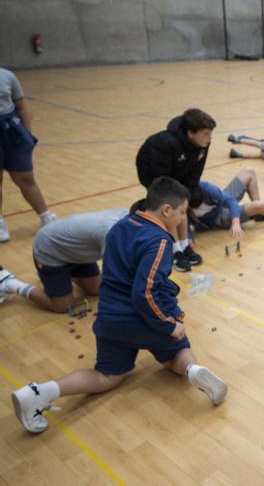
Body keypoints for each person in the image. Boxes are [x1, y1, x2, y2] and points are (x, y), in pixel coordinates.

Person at [10, 177, 227, 435]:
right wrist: (169, 324)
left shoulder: (120, 225)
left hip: (109, 320)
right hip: (142, 320)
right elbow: (145, 292)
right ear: (166, 210)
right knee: (177, 349)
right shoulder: (159, 241)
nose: (182, 219)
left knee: (106, 376)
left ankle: (40, 392)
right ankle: (193, 370)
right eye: (181, 212)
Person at [0, 208, 127, 312]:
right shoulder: (112, 232)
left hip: (77, 253)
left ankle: (59, 277)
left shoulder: (130, 217)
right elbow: (112, 274)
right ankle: (9, 282)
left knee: (95, 290)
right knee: (63, 307)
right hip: (50, 251)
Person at [135, 108, 215, 271]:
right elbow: (160, 178)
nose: (210, 138)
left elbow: (196, 171)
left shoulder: (203, 144)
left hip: (179, 172)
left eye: (210, 133)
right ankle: (175, 250)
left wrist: (188, 192)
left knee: (182, 206)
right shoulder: (165, 143)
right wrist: (171, 195)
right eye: (206, 134)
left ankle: (185, 245)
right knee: (170, 208)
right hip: (153, 174)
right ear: (191, 133)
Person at [0, 67, 57, 242]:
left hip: (11, 132)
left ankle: (45, 216)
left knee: (26, 177)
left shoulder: (7, 75)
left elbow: (22, 108)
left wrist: (28, 135)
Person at [188, 167, 264, 238]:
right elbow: (181, 220)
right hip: (218, 219)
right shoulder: (180, 198)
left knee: (249, 171)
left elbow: (230, 201)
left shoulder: (204, 186)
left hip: (220, 207)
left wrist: (236, 222)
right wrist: (188, 239)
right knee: (258, 205)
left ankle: (261, 214)